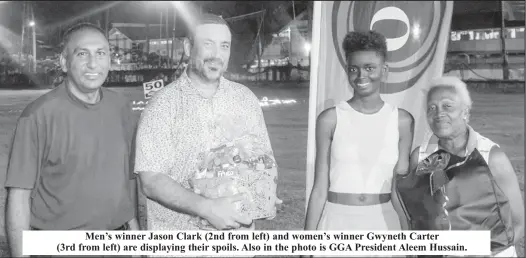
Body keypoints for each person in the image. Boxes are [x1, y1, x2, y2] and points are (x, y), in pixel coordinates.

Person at [134, 13, 279, 231]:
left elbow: (261, 158)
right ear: (187, 47)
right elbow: (151, 180)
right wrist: (207, 208)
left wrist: (263, 190)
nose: (217, 55)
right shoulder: (163, 105)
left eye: (224, 46)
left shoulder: (244, 99)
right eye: (208, 44)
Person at [4, 23, 139, 257]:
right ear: (64, 62)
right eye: (82, 54)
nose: (93, 64)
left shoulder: (122, 107)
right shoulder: (38, 116)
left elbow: (127, 182)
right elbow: (19, 198)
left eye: (101, 53)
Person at [397, 76, 524, 257]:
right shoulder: (421, 157)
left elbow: (518, 223)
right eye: (431, 108)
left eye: (447, 106)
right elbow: (415, 216)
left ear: (465, 112)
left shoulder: (492, 157)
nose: (438, 113)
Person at [305, 31, 414, 235]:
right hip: (336, 222)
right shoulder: (330, 119)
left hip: (385, 223)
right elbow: (319, 189)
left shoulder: (402, 121)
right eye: (354, 68)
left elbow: (400, 192)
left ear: (384, 71)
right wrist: (305, 247)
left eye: (369, 68)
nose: (361, 75)